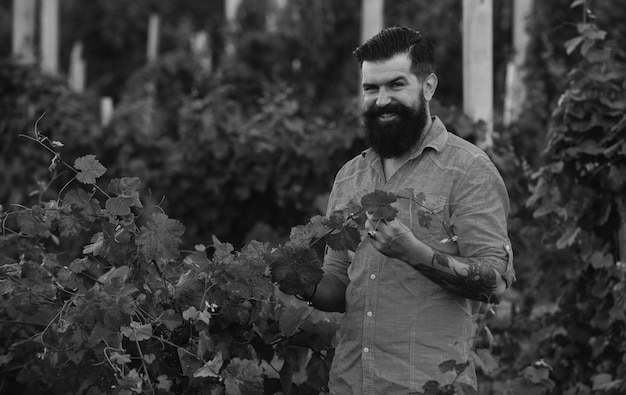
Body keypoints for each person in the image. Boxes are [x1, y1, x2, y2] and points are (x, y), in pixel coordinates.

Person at [294, 27, 515, 394]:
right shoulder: (350, 175)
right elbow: (340, 284)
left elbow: (494, 284)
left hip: (428, 386)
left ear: (428, 87)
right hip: (350, 384)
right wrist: (303, 283)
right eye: (371, 88)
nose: (382, 100)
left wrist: (413, 253)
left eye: (396, 85)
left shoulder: (469, 170)